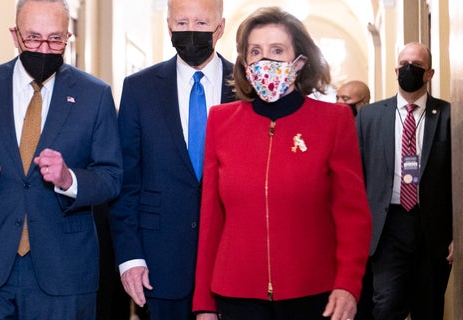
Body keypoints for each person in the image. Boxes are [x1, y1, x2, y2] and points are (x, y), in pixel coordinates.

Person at [0, 0, 122, 318]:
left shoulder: (95, 95)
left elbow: (111, 176)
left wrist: (69, 180)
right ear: (15, 34)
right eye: (33, 38)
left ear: (67, 37)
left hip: (64, 272)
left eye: (55, 39)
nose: (45, 49)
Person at [192, 7, 372, 320]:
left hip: (313, 294)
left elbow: (352, 215)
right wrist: (204, 304)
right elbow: (211, 219)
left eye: (277, 51)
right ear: (245, 64)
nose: (265, 61)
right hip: (236, 295)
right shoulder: (221, 122)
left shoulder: (334, 121)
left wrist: (348, 284)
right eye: (255, 52)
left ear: (299, 62)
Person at [108, 0, 235, 319]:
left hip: (232, 262)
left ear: (220, 27)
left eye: (202, 24)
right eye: (182, 23)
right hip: (158, 263)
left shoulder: (245, 86)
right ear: (168, 26)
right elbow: (126, 182)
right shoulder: (139, 88)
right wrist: (131, 257)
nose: (191, 31)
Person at [355, 42, 453, 320]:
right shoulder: (369, 116)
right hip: (387, 227)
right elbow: (356, 177)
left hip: (433, 229)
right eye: (404, 65)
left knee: (429, 308)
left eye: (417, 66)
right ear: (395, 70)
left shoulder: (449, 116)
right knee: (386, 306)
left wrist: (458, 234)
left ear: (430, 73)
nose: (409, 70)